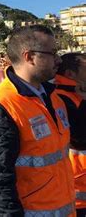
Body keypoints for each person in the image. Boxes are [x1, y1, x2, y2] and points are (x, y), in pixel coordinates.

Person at [0, 25, 75, 216]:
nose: (59, 59)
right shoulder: (1, 106)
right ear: (29, 57)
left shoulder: (52, 96)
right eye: (52, 53)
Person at [54, 53, 86, 216]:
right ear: (70, 74)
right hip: (77, 187)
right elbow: (79, 138)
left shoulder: (77, 96)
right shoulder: (63, 98)